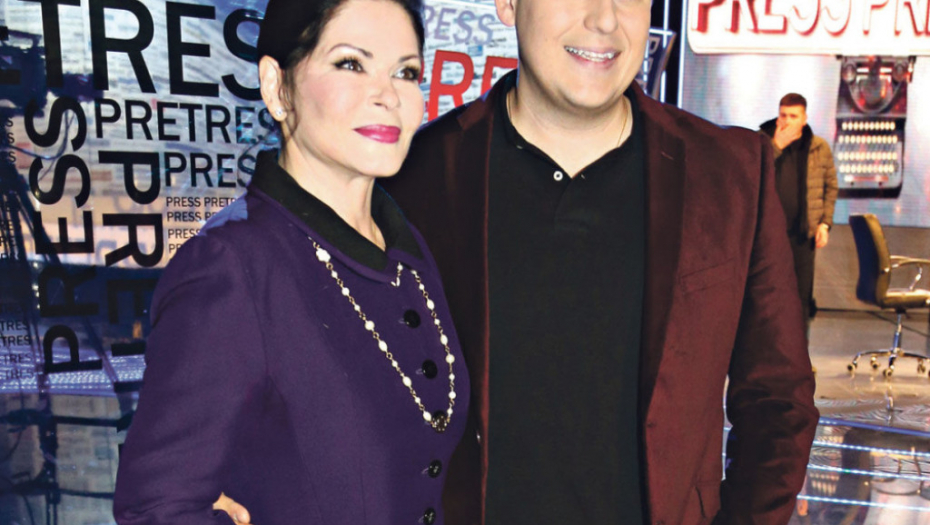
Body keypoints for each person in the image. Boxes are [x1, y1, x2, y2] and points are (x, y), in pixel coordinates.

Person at [217, 0, 819, 524]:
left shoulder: (730, 172)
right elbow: (325, 372)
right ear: (507, 3)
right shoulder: (416, 176)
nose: (605, 19)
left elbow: (779, 400)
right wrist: (234, 469)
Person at [112, 0, 470, 524]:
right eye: (351, 63)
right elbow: (155, 508)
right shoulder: (232, 266)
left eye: (406, 72)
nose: (388, 95)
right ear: (276, 86)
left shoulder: (407, 248)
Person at [760, 93, 839, 326]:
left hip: (803, 234)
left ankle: (799, 347)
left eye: (793, 116)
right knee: (767, 296)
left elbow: (830, 187)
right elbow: (753, 174)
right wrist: (776, 147)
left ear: (804, 119)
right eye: (783, 115)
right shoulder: (762, 142)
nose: (787, 121)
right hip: (768, 236)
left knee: (800, 297)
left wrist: (825, 224)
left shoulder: (818, 147)